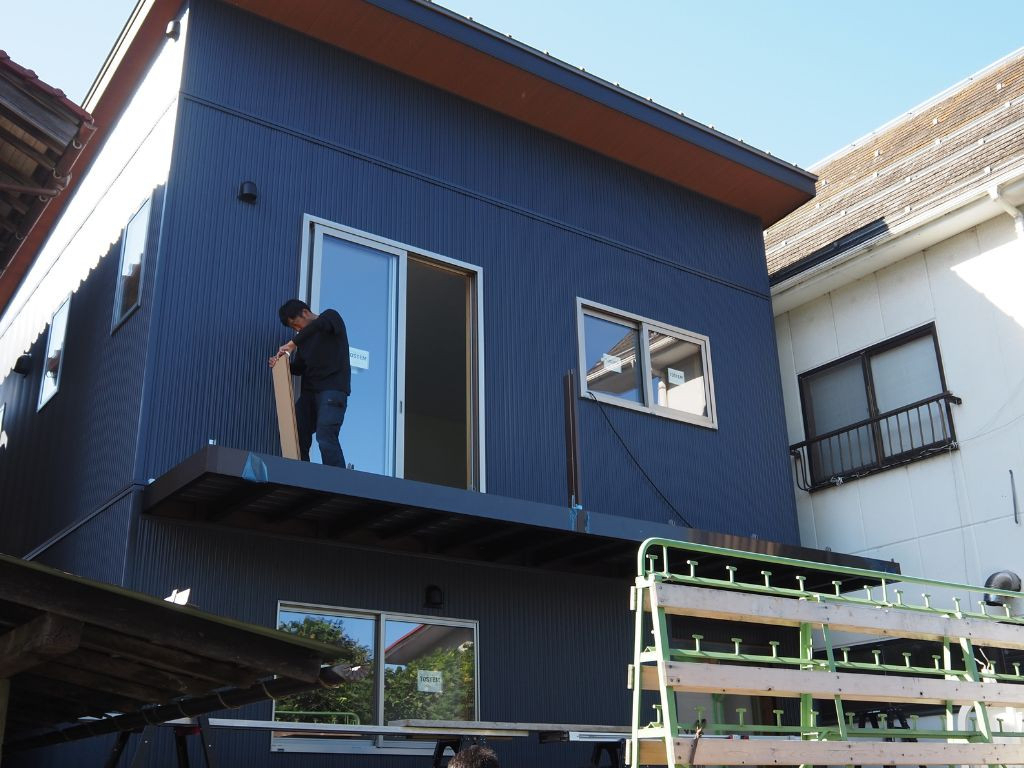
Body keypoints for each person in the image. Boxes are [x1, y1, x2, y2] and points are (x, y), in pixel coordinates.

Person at [269, 299, 351, 468]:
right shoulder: (303, 341)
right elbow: (299, 368)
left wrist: (292, 343)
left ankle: (337, 479)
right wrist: (281, 365)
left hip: (332, 390)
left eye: (296, 324)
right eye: (293, 328)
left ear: (305, 313)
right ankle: (301, 474)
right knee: (295, 432)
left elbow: (318, 325)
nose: (297, 330)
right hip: (310, 394)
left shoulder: (330, 318)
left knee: (325, 435)